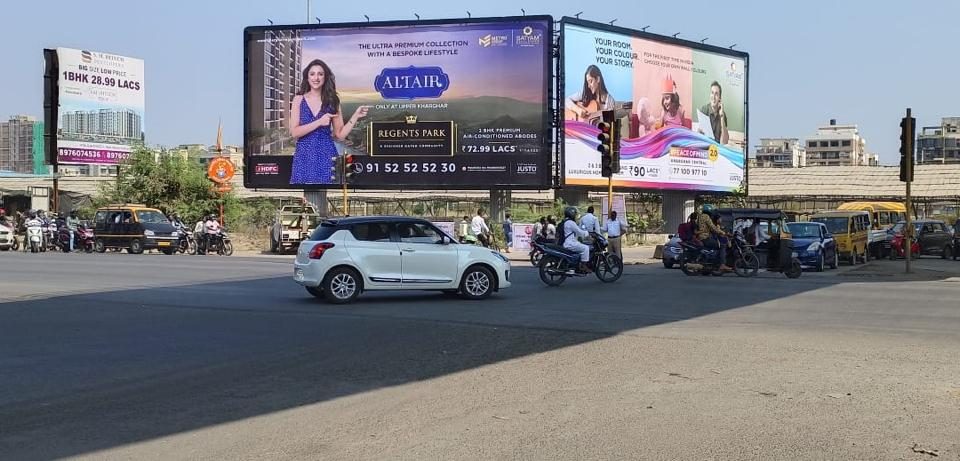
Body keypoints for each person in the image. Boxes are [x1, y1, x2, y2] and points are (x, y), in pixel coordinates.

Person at [289, 59, 370, 185]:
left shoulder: (332, 101)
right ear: (307, 77)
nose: (316, 78)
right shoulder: (298, 100)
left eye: (320, 74)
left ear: (325, 77)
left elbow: (340, 135)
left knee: (323, 193)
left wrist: (355, 116)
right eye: (312, 74)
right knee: (306, 197)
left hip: (326, 154)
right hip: (304, 156)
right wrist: (319, 122)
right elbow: (294, 132)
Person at [696, 204, 731, 271]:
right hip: (705, 238)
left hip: (701, 237)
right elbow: (712, 227)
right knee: (722, 246)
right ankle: (722, 265)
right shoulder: (706, 217)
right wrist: (723, 233)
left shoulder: (700, 217)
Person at [559, 206, 591, 273]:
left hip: (566, 242)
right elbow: (579, 232)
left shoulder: (564, 221)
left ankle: (577, 264)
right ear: (572, 214)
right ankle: (583, 266)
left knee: (580, 245)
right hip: (570, 243)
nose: (576, 216)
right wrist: (587, 233)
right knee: (585, 248)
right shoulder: (571, 223)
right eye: (575, 214)